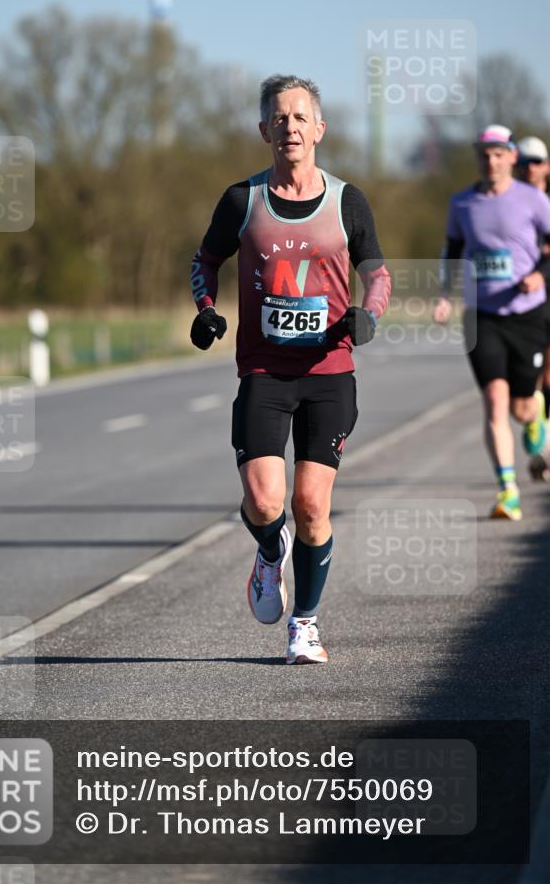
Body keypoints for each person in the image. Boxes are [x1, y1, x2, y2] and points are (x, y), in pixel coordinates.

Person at [189, 75, 391, 664]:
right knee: (262, 502)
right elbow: (205, 261)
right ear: (263, 131)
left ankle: (305, 623)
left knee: (310, 505)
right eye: (279, 119)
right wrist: (205, 310)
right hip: (263, 373)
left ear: (319, 130)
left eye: (300, 118)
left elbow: (376, 274)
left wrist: (368, 315)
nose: (290, 127)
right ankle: (269, 552)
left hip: (329, 371)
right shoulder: (240, 201)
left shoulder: (346, 200)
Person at [433, 125, 550, 519]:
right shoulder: (462, 203)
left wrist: (541, 276)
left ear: (512, 157)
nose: (491, 160)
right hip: (482, 317)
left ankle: (536, 413)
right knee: (494, 403)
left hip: (527, 313)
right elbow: (453, 249)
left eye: (499, 153)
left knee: (521, 409)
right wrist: (445, 295)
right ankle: (508, 490)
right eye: (485, 154)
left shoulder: (533, 199)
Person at [515, 136, 550, 480]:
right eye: (524, 161)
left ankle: (545, 449)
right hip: (520, 302)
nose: (531, 168)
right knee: (524, 388)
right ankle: (536, 417)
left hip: (547, 294)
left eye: (537, 161)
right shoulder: (509, 203)